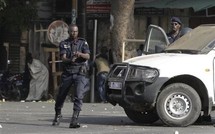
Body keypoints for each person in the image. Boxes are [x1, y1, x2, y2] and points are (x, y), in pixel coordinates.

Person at [52, 24, 90, 128]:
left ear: (78, 32)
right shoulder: (64, 43)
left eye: (76, 31)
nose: (74, 33)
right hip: (68, 72)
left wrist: (80, 54)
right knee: (61, 95)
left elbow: (87, 56)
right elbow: (63, 58)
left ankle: (74, 119)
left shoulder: (83, 42)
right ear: (69, 32)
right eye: (72, 31)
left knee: (79, 96)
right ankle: (58, 114)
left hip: (80, 73)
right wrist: (70, 59)